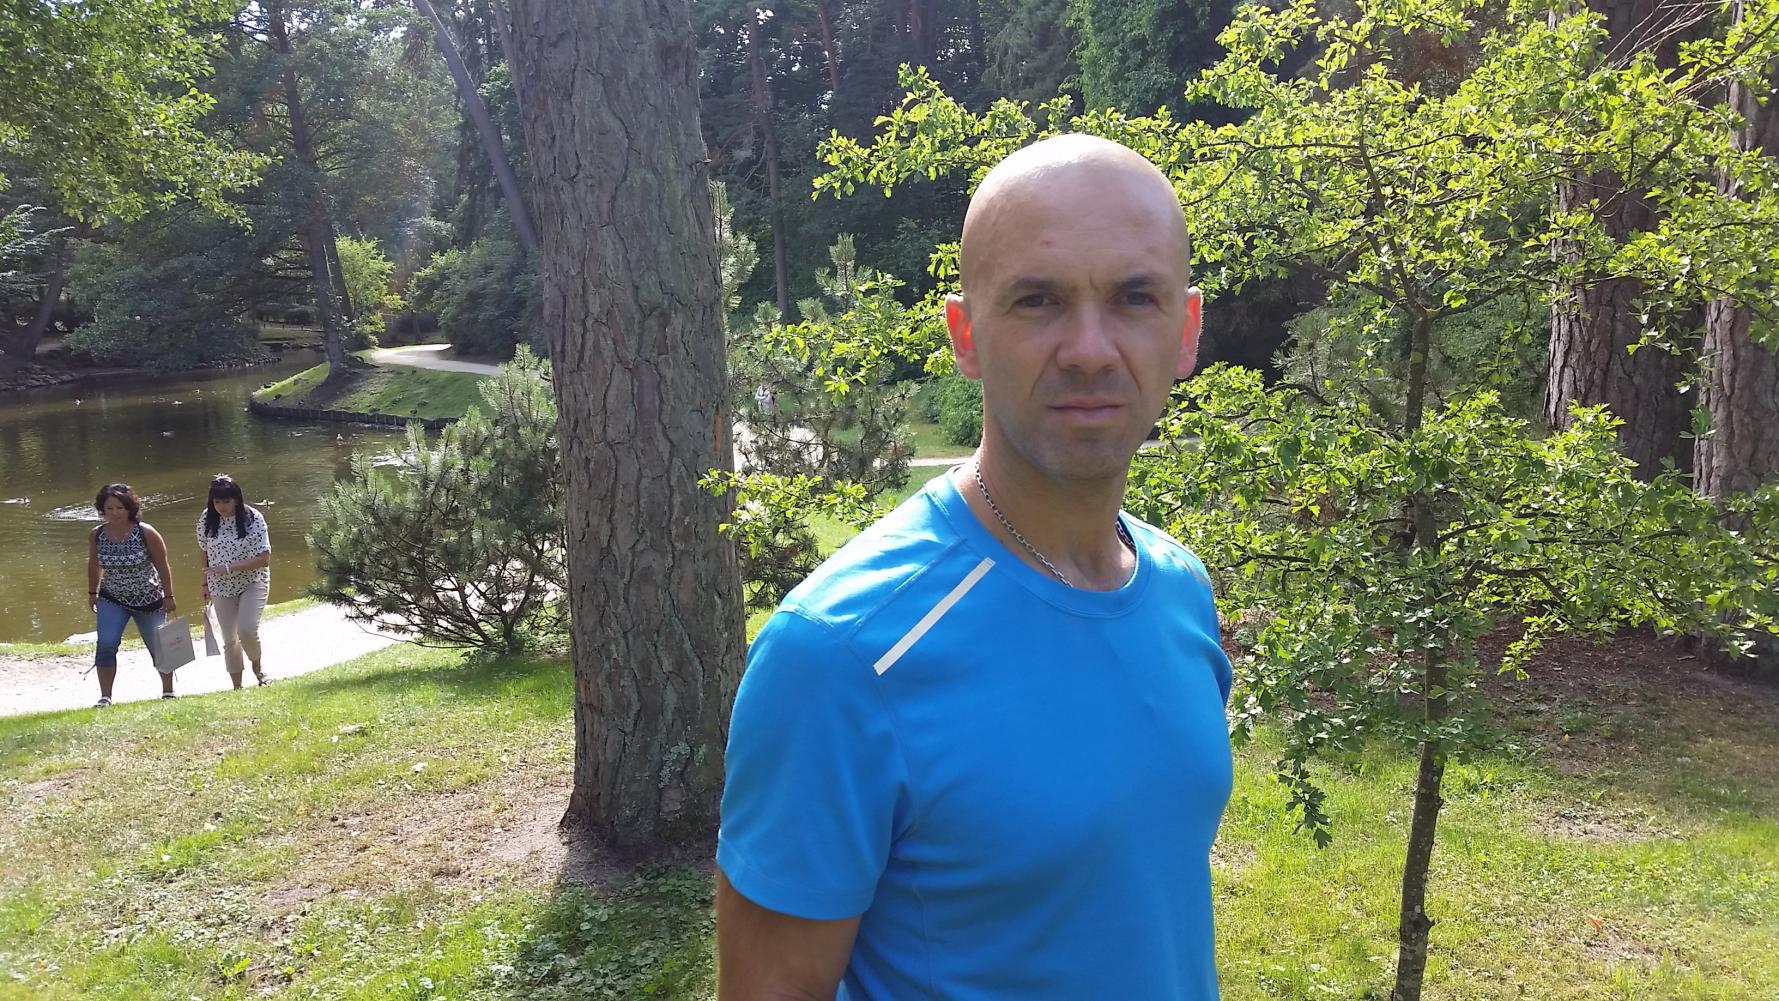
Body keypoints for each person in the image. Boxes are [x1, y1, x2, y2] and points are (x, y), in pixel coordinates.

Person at [715, 134, 1232, 1000]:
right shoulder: (839, 654)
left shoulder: (1179, 589)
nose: (1090, 348)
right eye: (1038, 300)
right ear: (964, 335)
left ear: (1183, 332)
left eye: (1134, 297)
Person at [87, 483, 179, 705]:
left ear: (129, 508)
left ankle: (168, 691)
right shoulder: (97, 535)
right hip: (112, 598)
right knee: (106, 643)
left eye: (119, 508)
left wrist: (169, 596)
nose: (114, 513)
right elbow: (94, 564)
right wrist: (92, 592)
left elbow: (162, 564)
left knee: (158, 644)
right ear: (102, 510)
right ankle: (105, 697)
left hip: (149, 599)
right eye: (109, 508)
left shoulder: (146, 532)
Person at [197, 474, 273, 688]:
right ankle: (237, 686)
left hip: (252, 581)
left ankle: (258, 669)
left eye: (226, 501)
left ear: (237, 500)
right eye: (217, 502)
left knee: (246, 630)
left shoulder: (253, 518)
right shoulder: (207, 518)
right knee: (229, 638)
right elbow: (203, 550)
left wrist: (229, 567)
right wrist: (205, 582)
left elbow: (264, 558)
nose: (222, 507)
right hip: (220, 586)